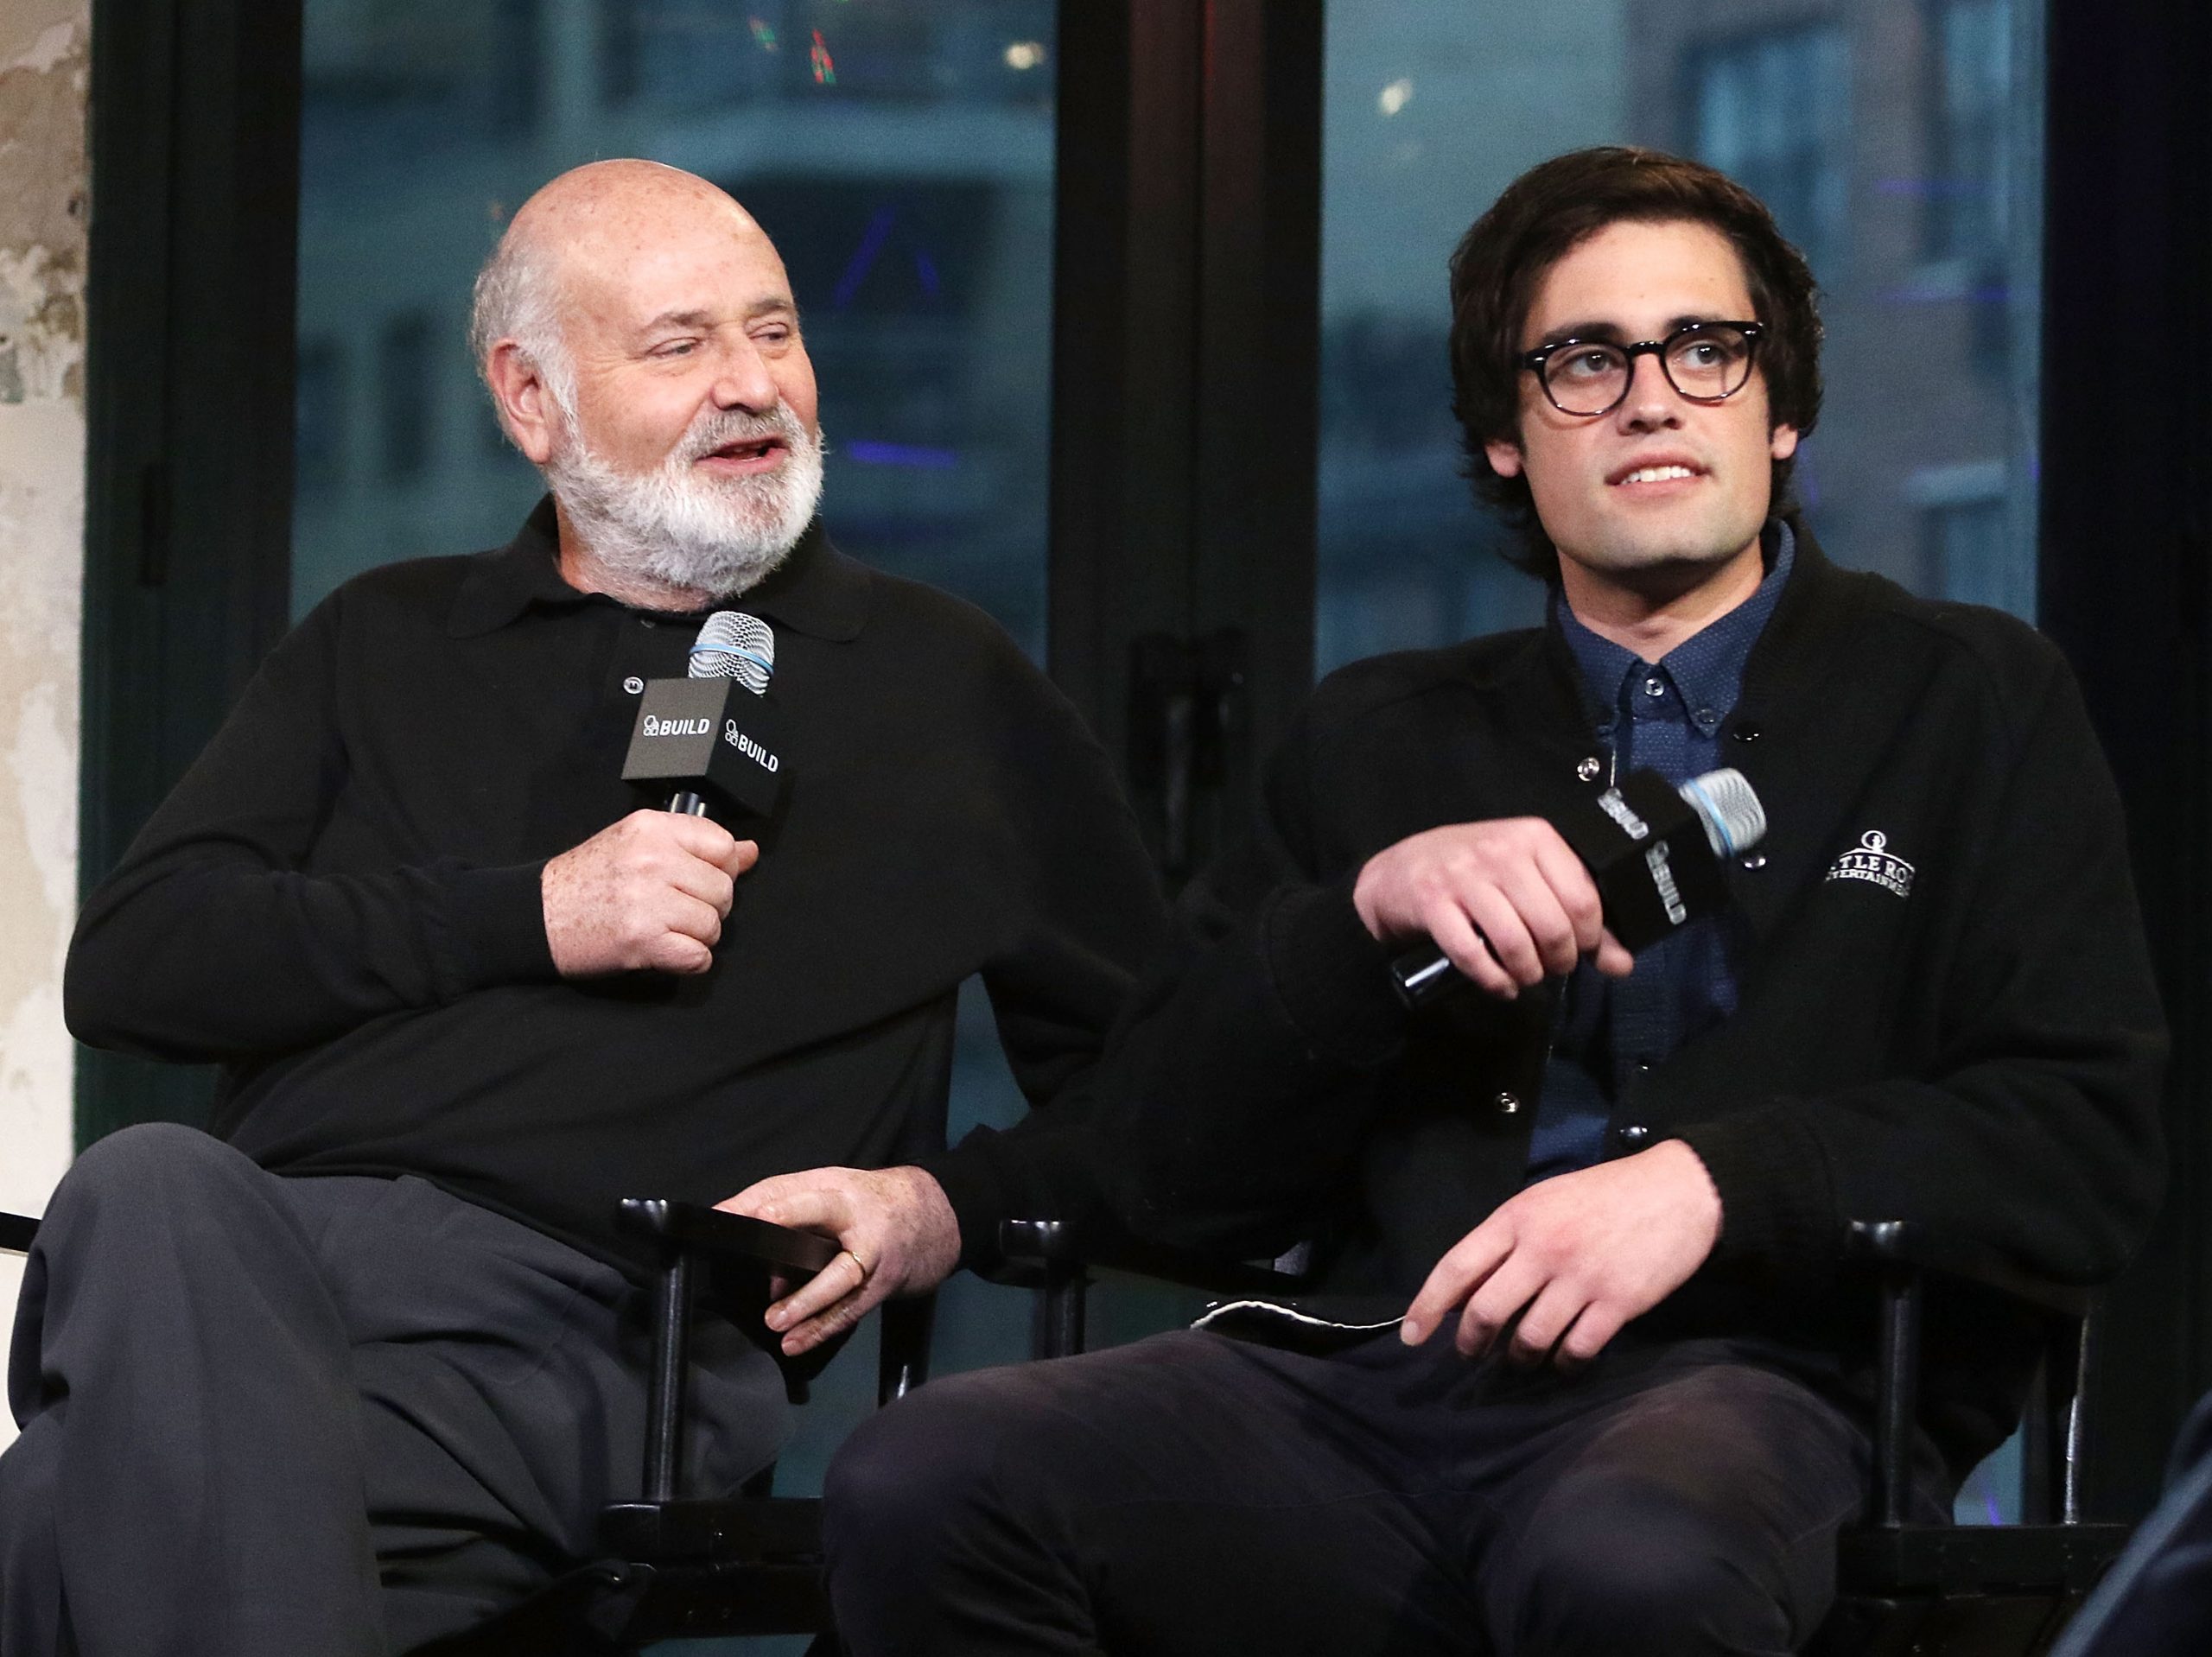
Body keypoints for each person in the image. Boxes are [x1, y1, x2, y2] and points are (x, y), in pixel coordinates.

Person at [822, 146, 2169, 1655]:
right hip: (1378, 1383)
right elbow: (1161, 1154)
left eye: (1706, 351)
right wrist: (1360, 918)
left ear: (1780, 413)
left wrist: (1716, 1184)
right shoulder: (1382, 733)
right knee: (922, 1476)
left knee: (1628, 1562)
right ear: (1509, 442)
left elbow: (2083, 1136)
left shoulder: (1969, 697)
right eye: (1586, 360)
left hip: (1762, 1388)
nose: (1651, 396)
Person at [0, 160, 1161, 1657]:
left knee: (63, 1514)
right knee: (157, 1192)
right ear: (531, 402)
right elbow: (137, 962)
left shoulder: (946, 684)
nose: (753, 385)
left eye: (776, 331)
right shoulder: (383, 637)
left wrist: (942, 1206)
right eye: (681, 345)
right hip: (246, 1277)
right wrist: (529, 912)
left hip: (611, 1330)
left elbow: (1161, 1084)